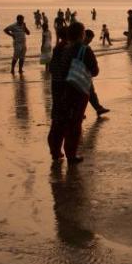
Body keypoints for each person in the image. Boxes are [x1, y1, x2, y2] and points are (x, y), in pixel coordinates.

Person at [47, 22, 98, 164]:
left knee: (59, 122)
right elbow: (95, 71)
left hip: (61, 90)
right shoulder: (84, 49)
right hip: (79, 90)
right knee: (74, 124)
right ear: (82, 34)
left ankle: (55, 152)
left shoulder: (62, 49)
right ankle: (71, 155)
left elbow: (56, 70)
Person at [83, 30, 110, 116]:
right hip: (84, 75)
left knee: (89, 93)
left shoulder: (73, 46)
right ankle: (97, 108)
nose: (90, 41)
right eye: (90, 38)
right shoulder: (86, 49)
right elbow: (93, 65)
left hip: (76, 75)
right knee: (88, 93)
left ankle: (98, 108)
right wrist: (94, 72)